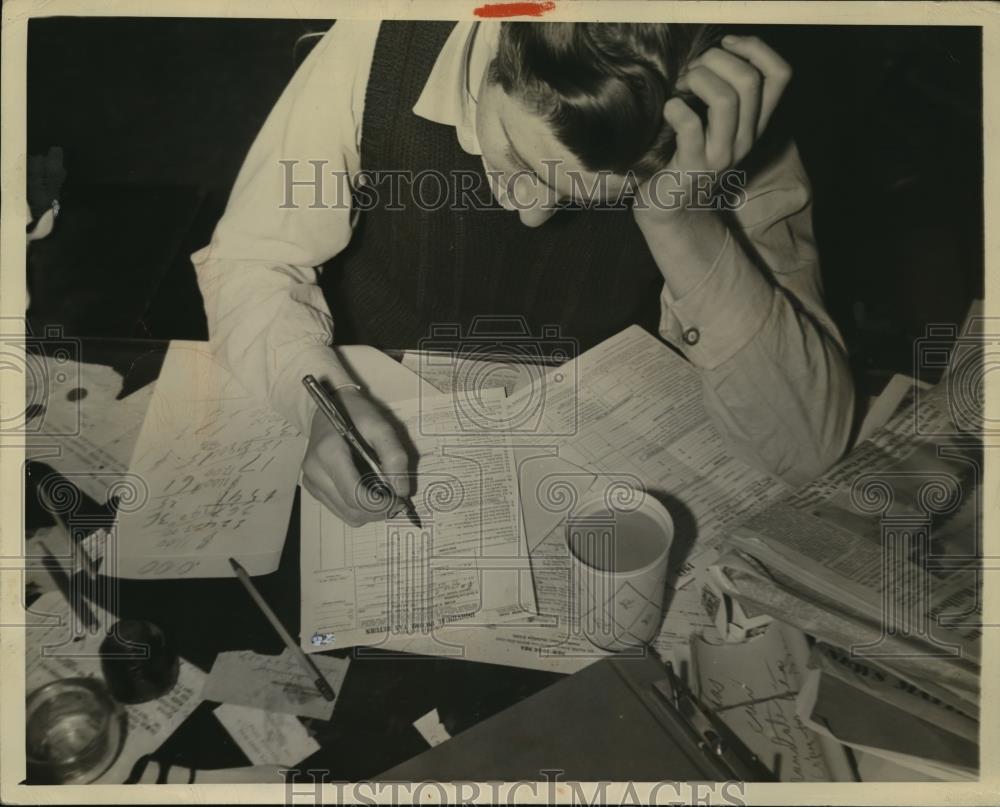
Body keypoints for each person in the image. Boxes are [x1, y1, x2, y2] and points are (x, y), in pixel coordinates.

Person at [192, 20, 855, 526]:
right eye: (518, 155)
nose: (532, 214)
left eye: (598, 198)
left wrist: (680, 221)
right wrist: (324, 408)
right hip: (385, 384)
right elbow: (252, 259)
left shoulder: (730, 123)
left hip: (596, 455)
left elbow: (807, 451)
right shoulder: (382, 34)